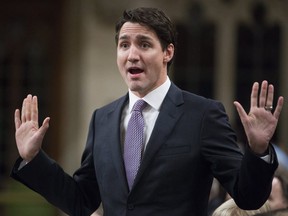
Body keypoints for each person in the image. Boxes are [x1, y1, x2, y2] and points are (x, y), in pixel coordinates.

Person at [11, 7, 284, 216]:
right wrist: (34, 158)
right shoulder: (102, 119)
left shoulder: (202, 115)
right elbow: (82, 201)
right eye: (124, 45)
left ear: (168, 52)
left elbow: (247, 197)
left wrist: (258, 150)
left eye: (144, 44)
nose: (132, 54)